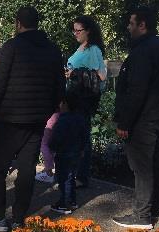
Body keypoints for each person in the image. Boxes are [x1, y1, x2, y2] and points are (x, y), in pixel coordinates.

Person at [0, 7, 65, 232]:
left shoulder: (12, 47)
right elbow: (59, 87)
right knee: (26, 170)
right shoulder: (53, 50)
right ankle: (18, 218)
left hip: (8, 120)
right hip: (36, 120)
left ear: (18, 24)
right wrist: (46, 112)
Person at [113, 7, 159, 230]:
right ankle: (157, 209)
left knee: (141, 167)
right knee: (152, 163)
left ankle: (141, 216)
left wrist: (125, 122)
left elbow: (137, 89)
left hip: (143, 119)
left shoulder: (144, 50)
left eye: (131, 23)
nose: (128, 27)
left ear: (143, 25)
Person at [65, 15, 107, 189]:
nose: (75, 33)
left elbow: (102, 77)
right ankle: (74, 173)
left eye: (78, 30)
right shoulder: (80, 48)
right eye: (73, 30)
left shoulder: (93, 49)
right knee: (75, 136)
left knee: (82, 138)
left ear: (88, 30)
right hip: (73, 98)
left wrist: (75, 73)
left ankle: (81, 176)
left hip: (83, 99)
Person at [48, 90, 88, 214]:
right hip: (76, 153)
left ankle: (65, 203)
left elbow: (56, 138)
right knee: (70, 178)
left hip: (63, 154)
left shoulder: (62, 120)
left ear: (65, 104)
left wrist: (52, 147)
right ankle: (72, 201)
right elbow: (85, 136)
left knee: (63, 179)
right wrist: (82, 149)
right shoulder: (81, 119)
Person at [34, 111, 59, 183]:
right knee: (52, 145)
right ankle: (49, 171)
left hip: (52, 116)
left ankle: (49, 173)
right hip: (57, 116)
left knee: (44, 145)